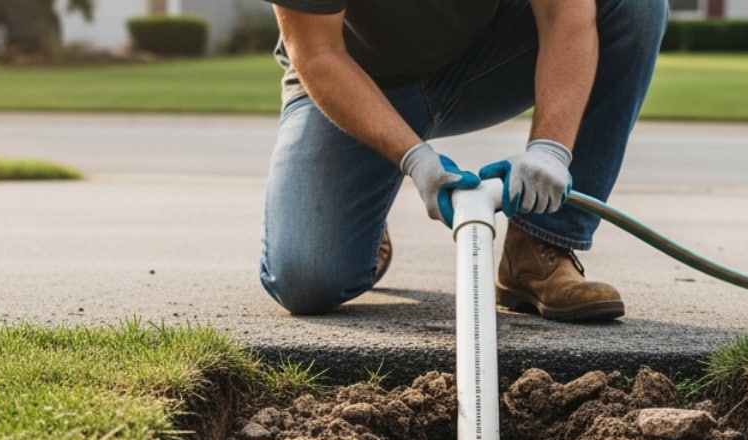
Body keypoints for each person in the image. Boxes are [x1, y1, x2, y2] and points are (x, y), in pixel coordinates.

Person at [259, 0, 668, 323]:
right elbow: (316, 51)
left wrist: (551, 149)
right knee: (305, 281)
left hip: (480, 62)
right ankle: (358, 216)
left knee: (633, 6)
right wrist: (413, 156)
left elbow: (564, 10)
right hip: (354, 75)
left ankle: (540, 246)